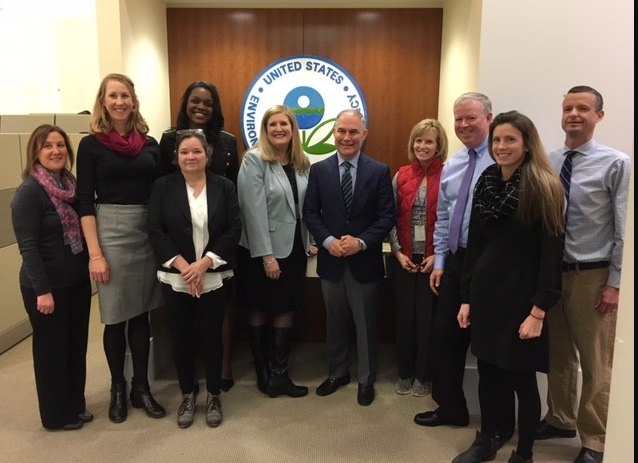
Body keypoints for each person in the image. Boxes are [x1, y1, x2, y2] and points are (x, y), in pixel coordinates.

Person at [452, 111, 565, 463]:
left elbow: (551, 255)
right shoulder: (486, 182)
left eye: (510, 140)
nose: (502, 146)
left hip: (523, 298)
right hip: (487, 294)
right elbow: (475, 247)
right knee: (488, 371)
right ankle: (486, 439)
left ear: (527, 144)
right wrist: (466, 299)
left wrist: (539, 310)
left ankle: (525, 451)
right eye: (497, 140)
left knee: (521, 380)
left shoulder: (543, 186)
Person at [535, 86, 631, 463]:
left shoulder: (616, 163)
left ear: (599, 116)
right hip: (553, 274)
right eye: (568, 108)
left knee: (595, 361)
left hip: (593, 275)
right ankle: (560, 418)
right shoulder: (549, 161)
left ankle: (594, 440)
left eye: (583, 108)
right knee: (558, 354)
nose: (574, 114)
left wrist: (616, 283)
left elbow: (624, 229)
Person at [414, 92, 514, 444]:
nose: (463, 125)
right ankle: (451, 408)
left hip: (488, 265)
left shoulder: (503, 160)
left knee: (487, 347)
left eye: (471, 118)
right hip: (455, 261)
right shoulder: (455, 164)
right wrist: (440, 261)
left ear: (489, 118)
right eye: (458, 119)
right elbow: (443, 217)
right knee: (444, 339)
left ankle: (498, 425)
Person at [77, 73, 166, 423]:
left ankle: (140, 387)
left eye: (125, 95)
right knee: (114, 318)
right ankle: (117, 386)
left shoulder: (150, 144)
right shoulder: (92, 145)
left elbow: (159, 192)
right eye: (112, 95)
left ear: (134, 100)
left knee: (142, 314)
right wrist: (95, 254)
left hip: (145, 230)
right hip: (109, 231)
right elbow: (84, 202)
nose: (119, 102)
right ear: (103, 101)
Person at [148, 129, 241, 428]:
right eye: (184, 152)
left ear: (207, 155)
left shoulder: (224, 186)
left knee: (212, 337)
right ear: (176, 157)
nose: (191, 156)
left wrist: (203, 265)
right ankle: (187, 394)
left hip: (212, 275)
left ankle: (214, 394)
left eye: (197, 151)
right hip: (176, 278)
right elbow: (156, 231)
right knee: (181, 338)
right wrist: (184, 267)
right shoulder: (163, 187)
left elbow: (233, 229)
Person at [303, 109, 396, 406]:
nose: (347, 137)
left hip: (364, 262)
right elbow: (310, 213)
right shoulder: (319, 170)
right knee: (335, 321)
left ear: (364, 135)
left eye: (353, 132)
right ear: (334, 133)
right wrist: (328, 241)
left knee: (366, 324)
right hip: (331, 261)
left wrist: (362, 242)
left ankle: (366, 379)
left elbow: (386, 216)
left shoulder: (379, 171)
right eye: (342, 131)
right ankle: (338, 373)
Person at [158, 80, 239, 392]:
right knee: (182, 320)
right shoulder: (166, 139)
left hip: (216, 243)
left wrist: (209, 258)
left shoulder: (228, 142)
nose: (201, 107)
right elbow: (161, 191)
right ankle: (188, 380)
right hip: (177, 242)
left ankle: (222, 367)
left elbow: (232, 195)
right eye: (195, 101)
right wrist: (182, 262)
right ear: (186, 103)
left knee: (219, 311)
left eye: (208, 102)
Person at [11, 125, 93, 431]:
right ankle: (56, 416)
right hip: (45, 288)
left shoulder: (70, 187)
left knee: (75, 346)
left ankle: (75, 404)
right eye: (48, 146)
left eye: (61, 145)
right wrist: (42, 291)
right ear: (36, 152)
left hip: (76, 283)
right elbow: (28, 246)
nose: (56, 150)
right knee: (51, 353)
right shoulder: (30, 192)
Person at [236, 105, 315, 398]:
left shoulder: (300, 162)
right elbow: (252, 211)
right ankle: (262, 371)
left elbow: (302, 208)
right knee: (259, 306)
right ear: (265, 130)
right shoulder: (255, 161)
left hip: (294, 247)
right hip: (261, 249)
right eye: (273, 125)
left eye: (285, 124)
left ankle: (279, 373)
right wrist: (267, 256)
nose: (279, 129)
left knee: (285, 307)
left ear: (293, 128)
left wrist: (310, 239)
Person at [387, 118, 447, 397]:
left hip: (433, 262)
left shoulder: (448, 175)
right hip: (404, 259)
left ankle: (424, 376)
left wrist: (437, 255)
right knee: (404, 320)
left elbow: (449, 222)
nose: (423, 146)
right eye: (419, 140)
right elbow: (391, 218)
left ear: (438, 146)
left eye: (429, 141)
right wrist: (398, 253)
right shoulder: (400, 175)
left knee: (428, 322)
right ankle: (405, 373)